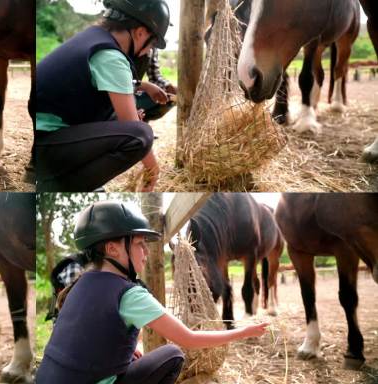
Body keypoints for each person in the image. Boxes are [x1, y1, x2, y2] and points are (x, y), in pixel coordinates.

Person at [36, 201, 269, 384]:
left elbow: (95, 335)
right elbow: (190, 339)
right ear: (112, 249)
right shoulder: (129, 294)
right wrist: (243, 333)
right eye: (139, 244)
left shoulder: (80, 283)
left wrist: (131, 350)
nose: (146, 252)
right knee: (173, 354)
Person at [34, 0, 171, 192]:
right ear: (140, 33)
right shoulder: (111, 56)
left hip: (45, 136)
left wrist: (143, 87)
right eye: (153, 43)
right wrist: (153, 169)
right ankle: (65, 185)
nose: (149, 50)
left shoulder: (94, 38)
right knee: (141, 135)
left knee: (124, 122)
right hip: (46, 146)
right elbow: (132, 126)